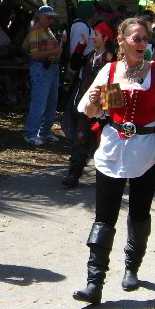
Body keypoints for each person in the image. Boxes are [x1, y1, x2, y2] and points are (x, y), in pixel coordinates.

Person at [72, 18, 155, 304]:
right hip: (113, 150)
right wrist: (95, 100)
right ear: (122, 42)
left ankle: (132, 269)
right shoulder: (109, 71)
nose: (141, 43)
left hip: (146, 152)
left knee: (139, 213)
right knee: (104, 217)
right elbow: (89, 111)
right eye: (135, 38)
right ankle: (94, 283)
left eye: (144, 39)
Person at [61, 24, 115, 188]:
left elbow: (113, 85)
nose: (93, 37)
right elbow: (75, 64)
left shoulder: (113, 59)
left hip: (105, 105)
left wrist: (108, 110)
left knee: (104, 141)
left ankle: (107, 178)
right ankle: (74, 174)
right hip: (86, 104)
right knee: (80, 138)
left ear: (105, 38)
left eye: (96, 35)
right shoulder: (90, 55)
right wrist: (81, 46)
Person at [22, 5, 66, 145]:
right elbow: (34, 54)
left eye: (52, 17)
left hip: (51, 68)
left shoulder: (47, 31)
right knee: (39, 102)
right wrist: (55, 52)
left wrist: (60, 45)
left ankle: (44, 131)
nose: (51, 20)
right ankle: (31, 133)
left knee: (51, 102)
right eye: (48, 17)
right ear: (39, 17)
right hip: (41, 68)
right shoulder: (35, 32)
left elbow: (55, 50)